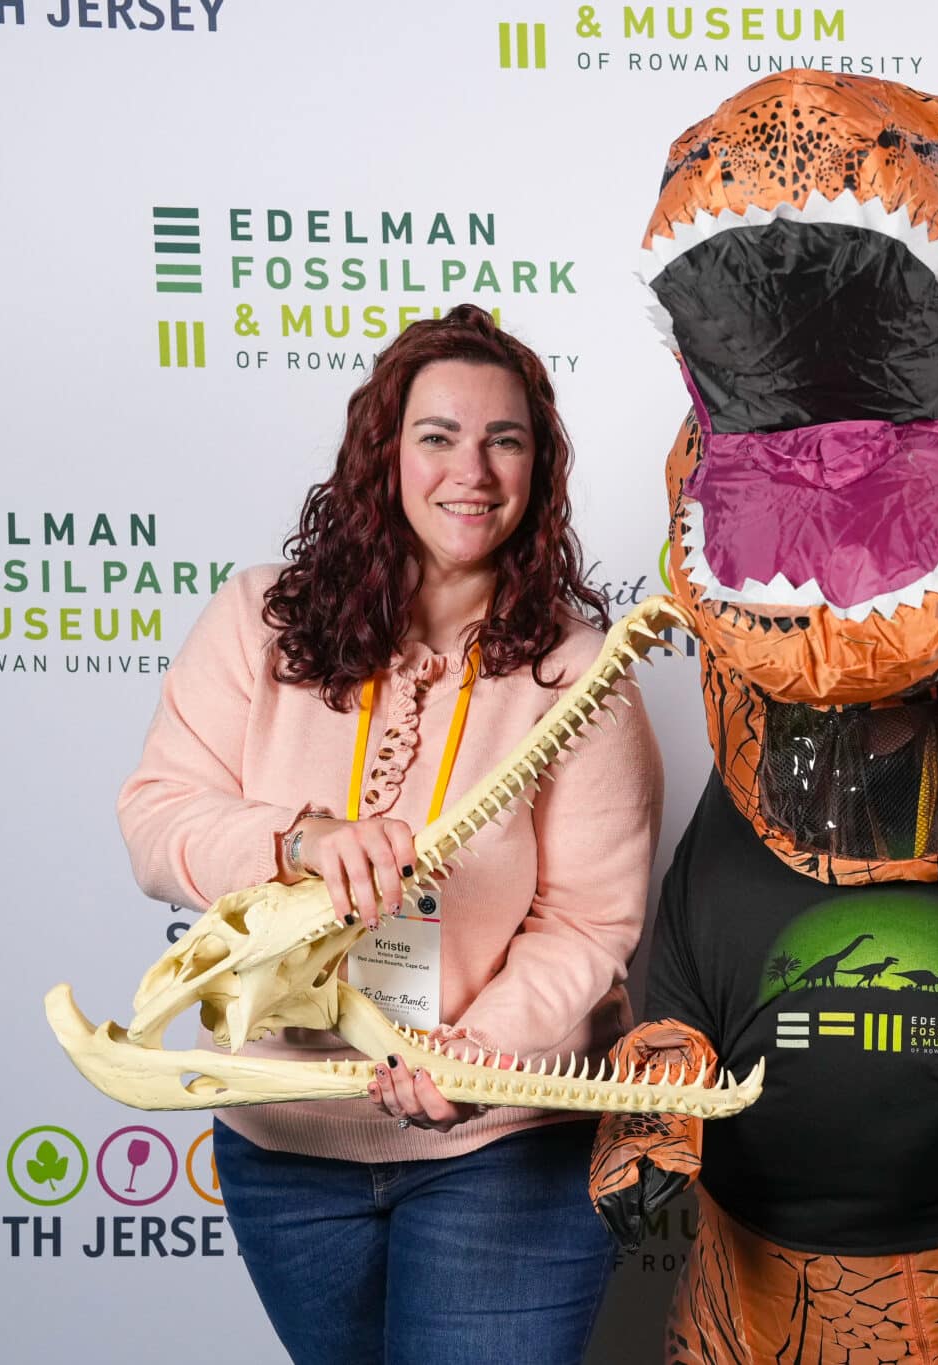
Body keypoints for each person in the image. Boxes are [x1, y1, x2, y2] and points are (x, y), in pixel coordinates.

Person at [117, 304, 662, 1365]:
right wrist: (294, 839)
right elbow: (156, 815)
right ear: (384, 453)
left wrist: (475, 1054)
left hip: (502, 1145)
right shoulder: (256, 620)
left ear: (539, 469)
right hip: (287, 1138)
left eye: (505, 441)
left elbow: (588, 923)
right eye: (438, 436)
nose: (473, 471)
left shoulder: (581, 672)